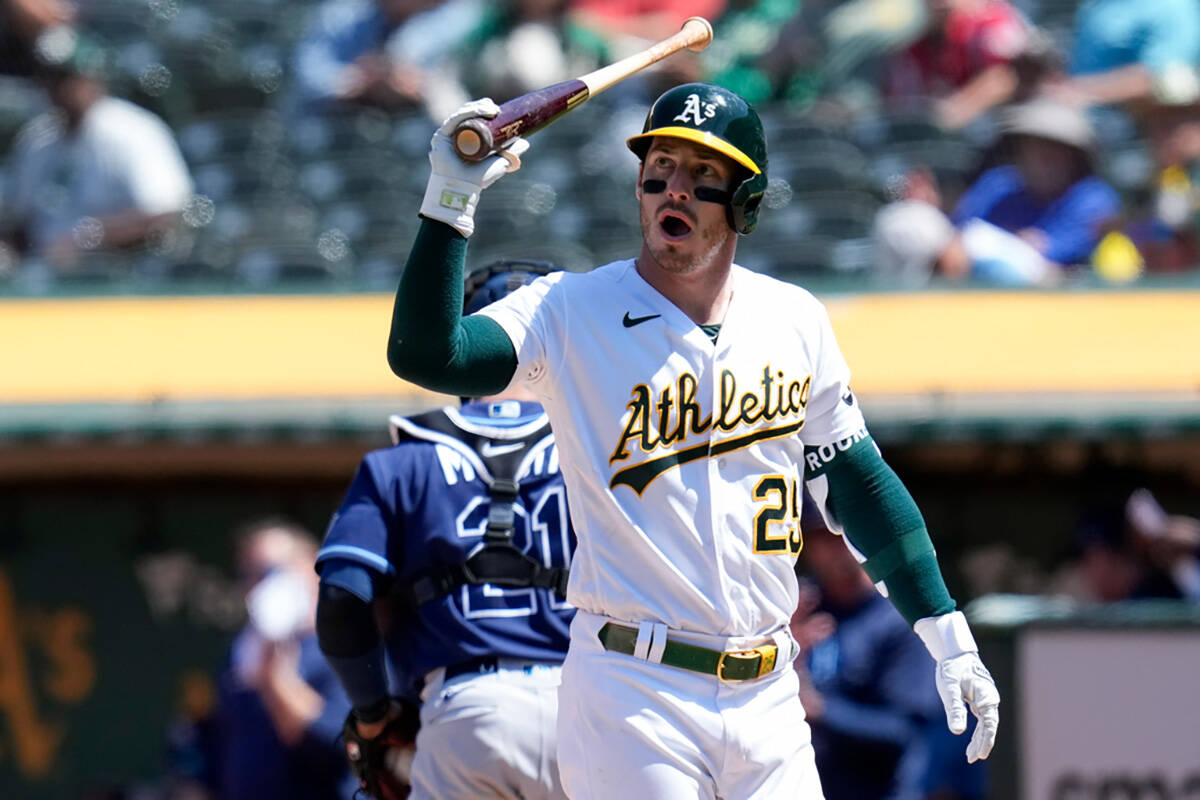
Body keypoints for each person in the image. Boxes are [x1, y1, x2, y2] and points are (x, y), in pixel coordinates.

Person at [385, 82, 1000, 798]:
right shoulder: (570, 308)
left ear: (748, 202)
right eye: (661, 167)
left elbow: (858, 484)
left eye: (703, 175)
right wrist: (449, 200)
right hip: (632, 689)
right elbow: (429, 354)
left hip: (770, 692)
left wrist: (947, 634)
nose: (674, 189)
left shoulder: (793, 319)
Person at [315, 260, 576, 800]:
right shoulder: (605, 455)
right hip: (594, 708)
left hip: (467, 710)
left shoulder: (404, 461)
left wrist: (372, 711)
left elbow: (342, 600)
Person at [872, 98, 1122, 286]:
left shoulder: (1093, 199)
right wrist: (932, 206)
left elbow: (1042, 258)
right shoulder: (1000, 184)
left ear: (1075, 157)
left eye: (1055, 149)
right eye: (1036, 147)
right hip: (973, 295)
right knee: (906, 219)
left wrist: (983, 247)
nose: (1044, 158)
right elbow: (956, 240)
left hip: (1056, 305)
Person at [0, 32, 193, 271]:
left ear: (93, 77)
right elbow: (21, 223)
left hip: (116, 278)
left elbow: (166, 215)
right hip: (41, 280)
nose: (57, 88)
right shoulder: (37, 139)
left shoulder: (133, 129)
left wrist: (87, 241)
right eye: (49, 77)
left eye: (66, 77)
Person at [793, 525, 944, 800]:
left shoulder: (899, 618)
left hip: (878, 789)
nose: (832, 550)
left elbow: (906, 729)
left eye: (840, 538)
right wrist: (784, 650)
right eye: (821, 539)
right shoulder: (801, 609)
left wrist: (821, 710)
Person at [214, 518, 359, 800]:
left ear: (312, 565)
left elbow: (338, 746)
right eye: (249, 574)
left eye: (271, 572)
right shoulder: (241, 651)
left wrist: (274, 675)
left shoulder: (351, 646)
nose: (258, 586)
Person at [288, 0, 484, 121]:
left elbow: (467, 82)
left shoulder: (457, 14)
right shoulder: (343, 13)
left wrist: (417, 82)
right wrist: (354, 80)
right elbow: (307, 74)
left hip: (421, 122)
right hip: (341, 117)